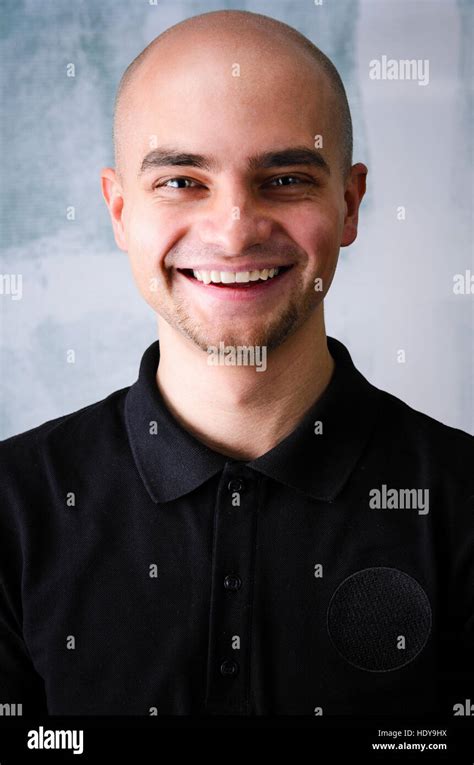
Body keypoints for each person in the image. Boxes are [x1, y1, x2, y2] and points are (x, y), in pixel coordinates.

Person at [0, 9, 472, 717]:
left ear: (349, 204)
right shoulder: (9, 512)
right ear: (120, 209)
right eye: (183, 181)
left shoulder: (464, 507)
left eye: (284, 179)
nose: (233, 229)